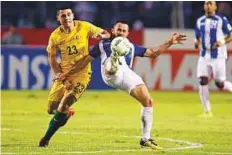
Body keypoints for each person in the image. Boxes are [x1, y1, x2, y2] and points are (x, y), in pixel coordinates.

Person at [55, 21, 186, 150]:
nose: (121, 32)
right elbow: (85, 61)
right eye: (119, 30)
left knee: (148, 102)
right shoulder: (103, 44)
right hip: (111, 75)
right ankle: (112, 63)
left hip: (126, 74)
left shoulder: (131, 47)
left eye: (124, 31)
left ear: (128, 33)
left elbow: (153, 53)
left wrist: (170, 42)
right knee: (112, 67)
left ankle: (145, 139)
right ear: (113, 31)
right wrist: (66, 73)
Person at [38, 8, 110, 147]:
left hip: (82, 74)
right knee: (51, 109)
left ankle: (45, 139)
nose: (67, 18)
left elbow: (106, 33)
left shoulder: (84, 26)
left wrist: (103, 37)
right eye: (63, 16)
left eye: (69, 15)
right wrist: (63, 78)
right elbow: (52, 59)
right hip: (64, 74)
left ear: (73, 16)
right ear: (59, 19)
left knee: (64, 103)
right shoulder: (55, 36)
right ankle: (66, 113)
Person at [194, 1, 232, 117]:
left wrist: (222, 41)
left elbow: (230, 35)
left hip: (218, 56)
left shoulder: (221, 20)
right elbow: (197, 37)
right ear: (204, 6)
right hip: (204, 55)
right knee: (202, 80)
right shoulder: (200, 21)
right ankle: (207, 111)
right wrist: (196, 43)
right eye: (206, 3)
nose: (208, 5)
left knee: (219, 83)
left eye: (210, 3)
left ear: (215, 6)